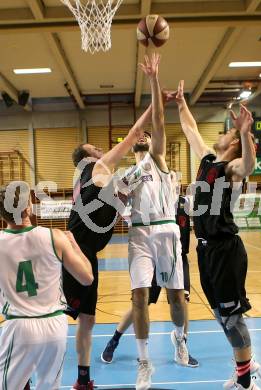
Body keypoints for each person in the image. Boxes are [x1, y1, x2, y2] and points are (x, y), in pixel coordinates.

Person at [173, 80, 261, 390]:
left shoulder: (232, 170)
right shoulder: (209, 160)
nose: (220, 133)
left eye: (228, 132)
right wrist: (181, 102)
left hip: (226, 250)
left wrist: (246, 133)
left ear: (235, 143)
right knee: (222, 314)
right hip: (205, 250)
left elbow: (249, 164)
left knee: (232, 317)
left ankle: (245, 380)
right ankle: (246, 362)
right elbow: (190, 130)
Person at [63, 110, 151, 390]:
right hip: (73, 251)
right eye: (95, 149)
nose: (101, 150)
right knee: (53, 319)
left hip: (86, 253)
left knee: (87, 319)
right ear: (87, 159)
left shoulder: (102, 181)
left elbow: (119, 196)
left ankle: (82, 379)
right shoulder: (94, 169)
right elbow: (131, 138)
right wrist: (153, 104)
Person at [116, 54, 189, 390]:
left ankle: (179, 337)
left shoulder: (156, 159)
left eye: (146, 134)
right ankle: (144, 363)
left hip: (167, 231)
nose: (144, 136)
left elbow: (159, 120)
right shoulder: (122, 178)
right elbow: (114, 209)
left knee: (177, 297)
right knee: (139, 297)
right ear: (130, 141)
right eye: (138, 136)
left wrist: (154, 80)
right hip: (138, 236)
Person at [0, 182, 93, 390]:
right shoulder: (55, 236)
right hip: (54, 325)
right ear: (29, 208)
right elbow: (87, 277)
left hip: (19, 326)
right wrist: (74, 244)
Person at [101, 173, 198, 367]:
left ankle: (182, 344)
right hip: (153, 256)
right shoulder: (150, 206)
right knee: (140, 302)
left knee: (182, 300)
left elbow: (204, 211)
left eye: (175, 179)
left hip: (177, 257)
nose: (173, 182)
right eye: (168, 179)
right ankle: (115, 339)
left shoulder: (185, 203)